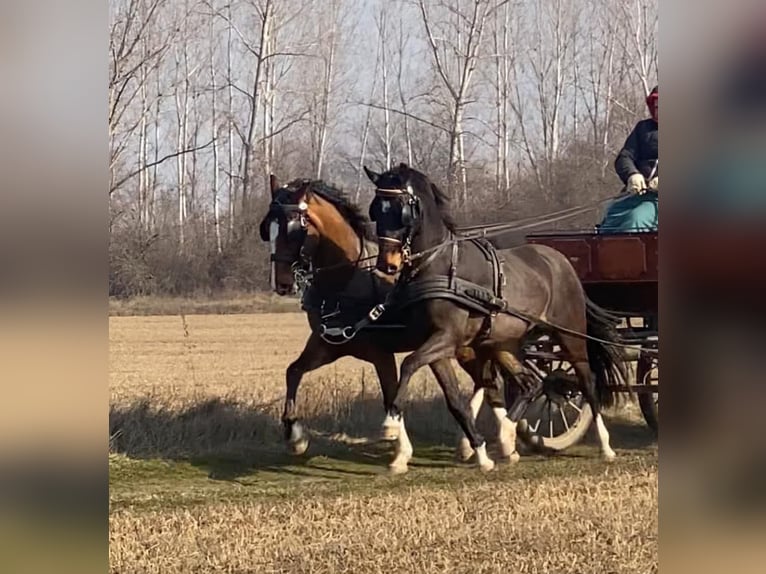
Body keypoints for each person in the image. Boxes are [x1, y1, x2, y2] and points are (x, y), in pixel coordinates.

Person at [599, 86, 659, 233]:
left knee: (635, 220)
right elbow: (624, 157)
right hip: (637, 195)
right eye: (656, 106)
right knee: (611, 219)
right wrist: (632, 174)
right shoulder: (643, 128)